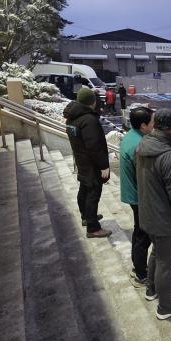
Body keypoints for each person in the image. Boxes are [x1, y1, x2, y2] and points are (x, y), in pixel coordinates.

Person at [136, 108, 171, 319]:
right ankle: (165, 307)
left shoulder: (144, 144)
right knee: (165, 264)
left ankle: (151, 289)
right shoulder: (169, 157)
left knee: (156, 254)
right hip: (164, 221)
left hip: (147, 213)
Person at [63, 88, 112, 238]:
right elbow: (95, 146)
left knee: (84, 190)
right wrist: (104, 165)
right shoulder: (89, 120)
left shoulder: (72, 117)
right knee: (93, 194)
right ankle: (93, 228)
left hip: (82, 161)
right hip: (91, 164)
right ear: (93, 101)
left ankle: (86, 216)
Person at [120, 107, 154, 287]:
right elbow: (144, 177)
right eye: (152, 122)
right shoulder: (139, 146)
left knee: (138, 231)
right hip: (138, 196)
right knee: (143, 235)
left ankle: (137, 267)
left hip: (132, 193)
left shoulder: (131, 136)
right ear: (143, 125)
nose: (154, 125)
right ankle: (141, 274)